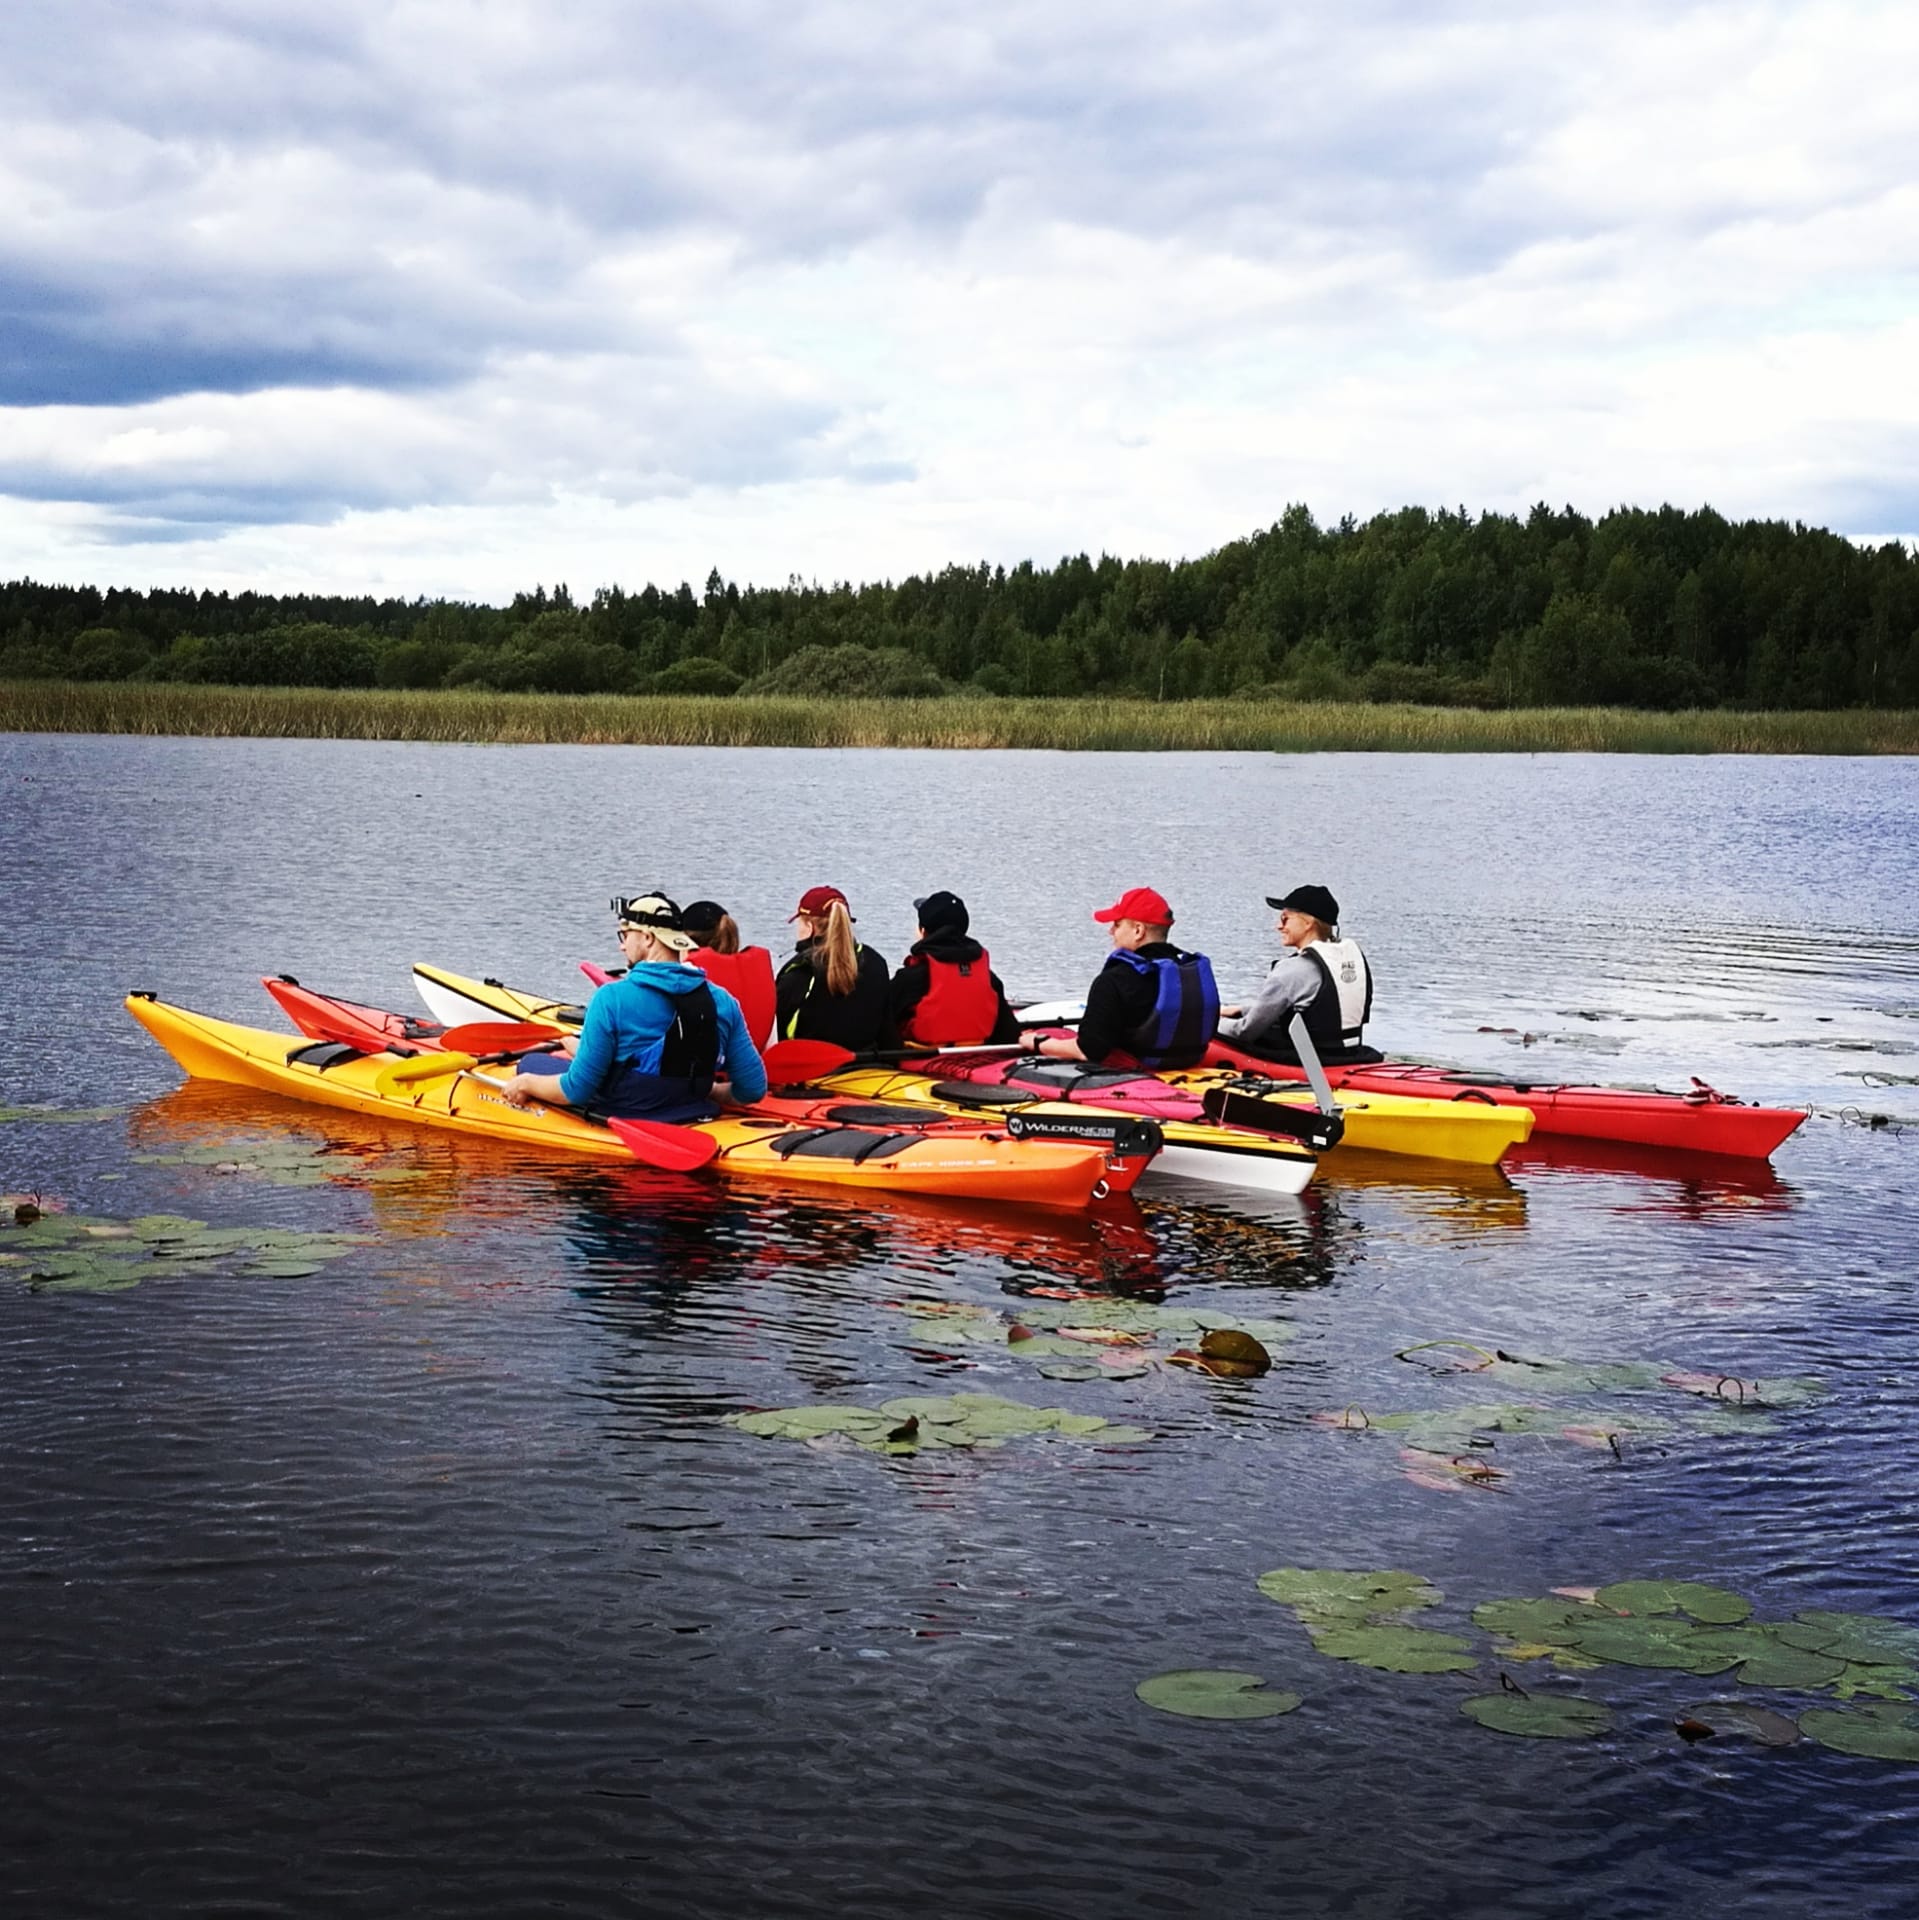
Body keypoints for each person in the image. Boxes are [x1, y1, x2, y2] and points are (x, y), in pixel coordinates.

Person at [503, 893, 767, 1122]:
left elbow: (577, 1090)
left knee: (530, 1063)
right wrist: (711, 1091)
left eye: (625, 934)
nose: (621, 945)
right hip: (691, 1104)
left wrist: (526, 1083)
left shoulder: (611, 998)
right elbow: (753, 1089)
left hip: (632, 1110)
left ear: (647, 938)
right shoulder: (723, 1001)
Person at [1029, 886, 1219, 1069]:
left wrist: (1038, 1042)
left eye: (1117, 924)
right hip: (1189, 1067)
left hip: (1136, 1076)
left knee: (1053, 1035)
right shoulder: (1189, 974)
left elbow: (1088, 1050)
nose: (1111, 931)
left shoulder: (1114, 981)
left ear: (1138, 930)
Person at [1217, 883, 1378, 1065]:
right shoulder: (1349, 961)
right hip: (1350, 1052)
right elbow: (1310, 1007)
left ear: (1308, 923)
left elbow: (1244, 1031)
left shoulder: (1291, 970)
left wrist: (1209, 1021)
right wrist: (1241, 1009)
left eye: (1285, 918)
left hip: (1311, 1060)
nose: (1278, 926)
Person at [890, 889, 1021, 1048]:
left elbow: (880, 1025)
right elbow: (1009, 1034)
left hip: (923, 1057)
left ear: (923, 931)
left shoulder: (909, 978)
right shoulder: (989, 978)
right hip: (975, 1053)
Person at [774, 885, 897, 1052]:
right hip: (866, 1061)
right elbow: (887, 1032)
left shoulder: (801, 971)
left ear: (810, 927)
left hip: (811, 1064)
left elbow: (776, 1029)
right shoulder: (876, 962)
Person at [681, 899, 777, 1049]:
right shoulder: (762, 973)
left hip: (707, 1061)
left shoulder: (689, 977)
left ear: (684, 943)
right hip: (756, 1059)